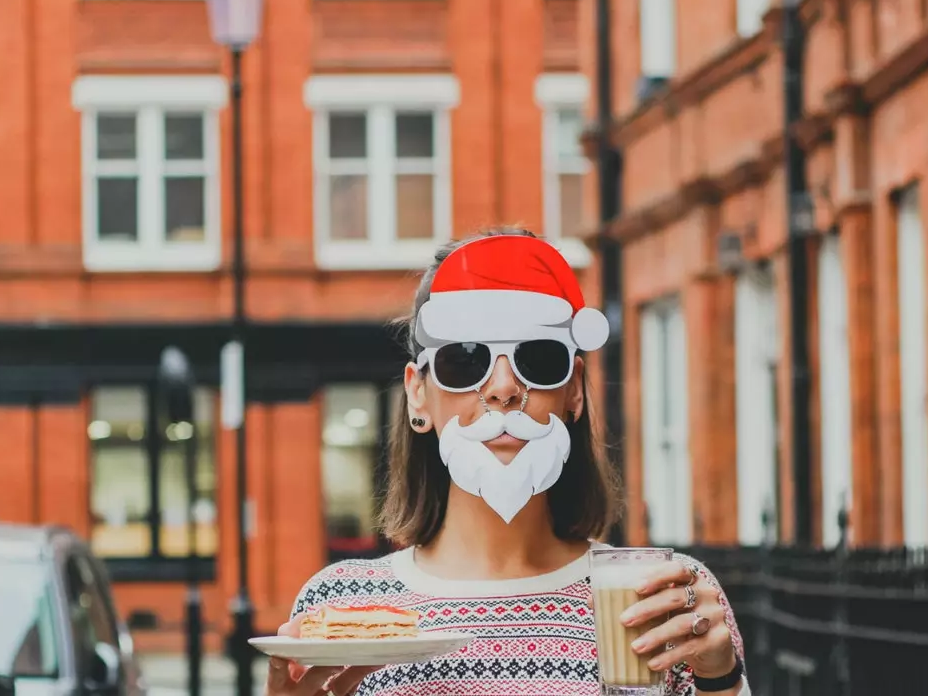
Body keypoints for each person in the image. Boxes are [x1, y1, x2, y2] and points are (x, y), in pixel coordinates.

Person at [267, 228, 748, 696]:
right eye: (465, 361)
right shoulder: (341, 608)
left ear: (574, 390)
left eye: (537, 361)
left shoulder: (665, 600)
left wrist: (719, 680)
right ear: (417, 394)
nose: (503, 389)